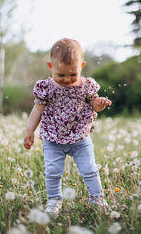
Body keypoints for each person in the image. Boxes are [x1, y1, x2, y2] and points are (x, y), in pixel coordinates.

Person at [24, 38, 112, 217]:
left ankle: (97, 198)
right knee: (53, 171)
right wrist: (29, 130)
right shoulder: (46, 88)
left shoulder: (86, 85)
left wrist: (99, 104)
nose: (67, 79)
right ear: (51, 66)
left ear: (82, 66)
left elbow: (93, 104)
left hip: (80, 137)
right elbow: (37, 109)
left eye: (73, 75)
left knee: (89, 168)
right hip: (53, 139)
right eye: (61, 75)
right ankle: (54, 200)